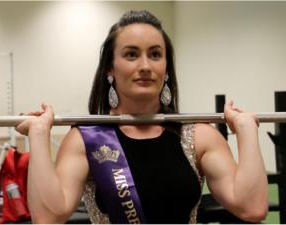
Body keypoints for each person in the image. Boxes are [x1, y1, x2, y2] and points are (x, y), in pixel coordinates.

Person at [15, 10, 268, 224]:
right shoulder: (85, 138)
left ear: (166, 69)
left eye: (155, 54)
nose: (145, 66)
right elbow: (48, 217)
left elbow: (252, 207)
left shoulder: (199, 136)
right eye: (131, 54)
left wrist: (246, 131)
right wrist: (38, 135)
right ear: (110, 69)